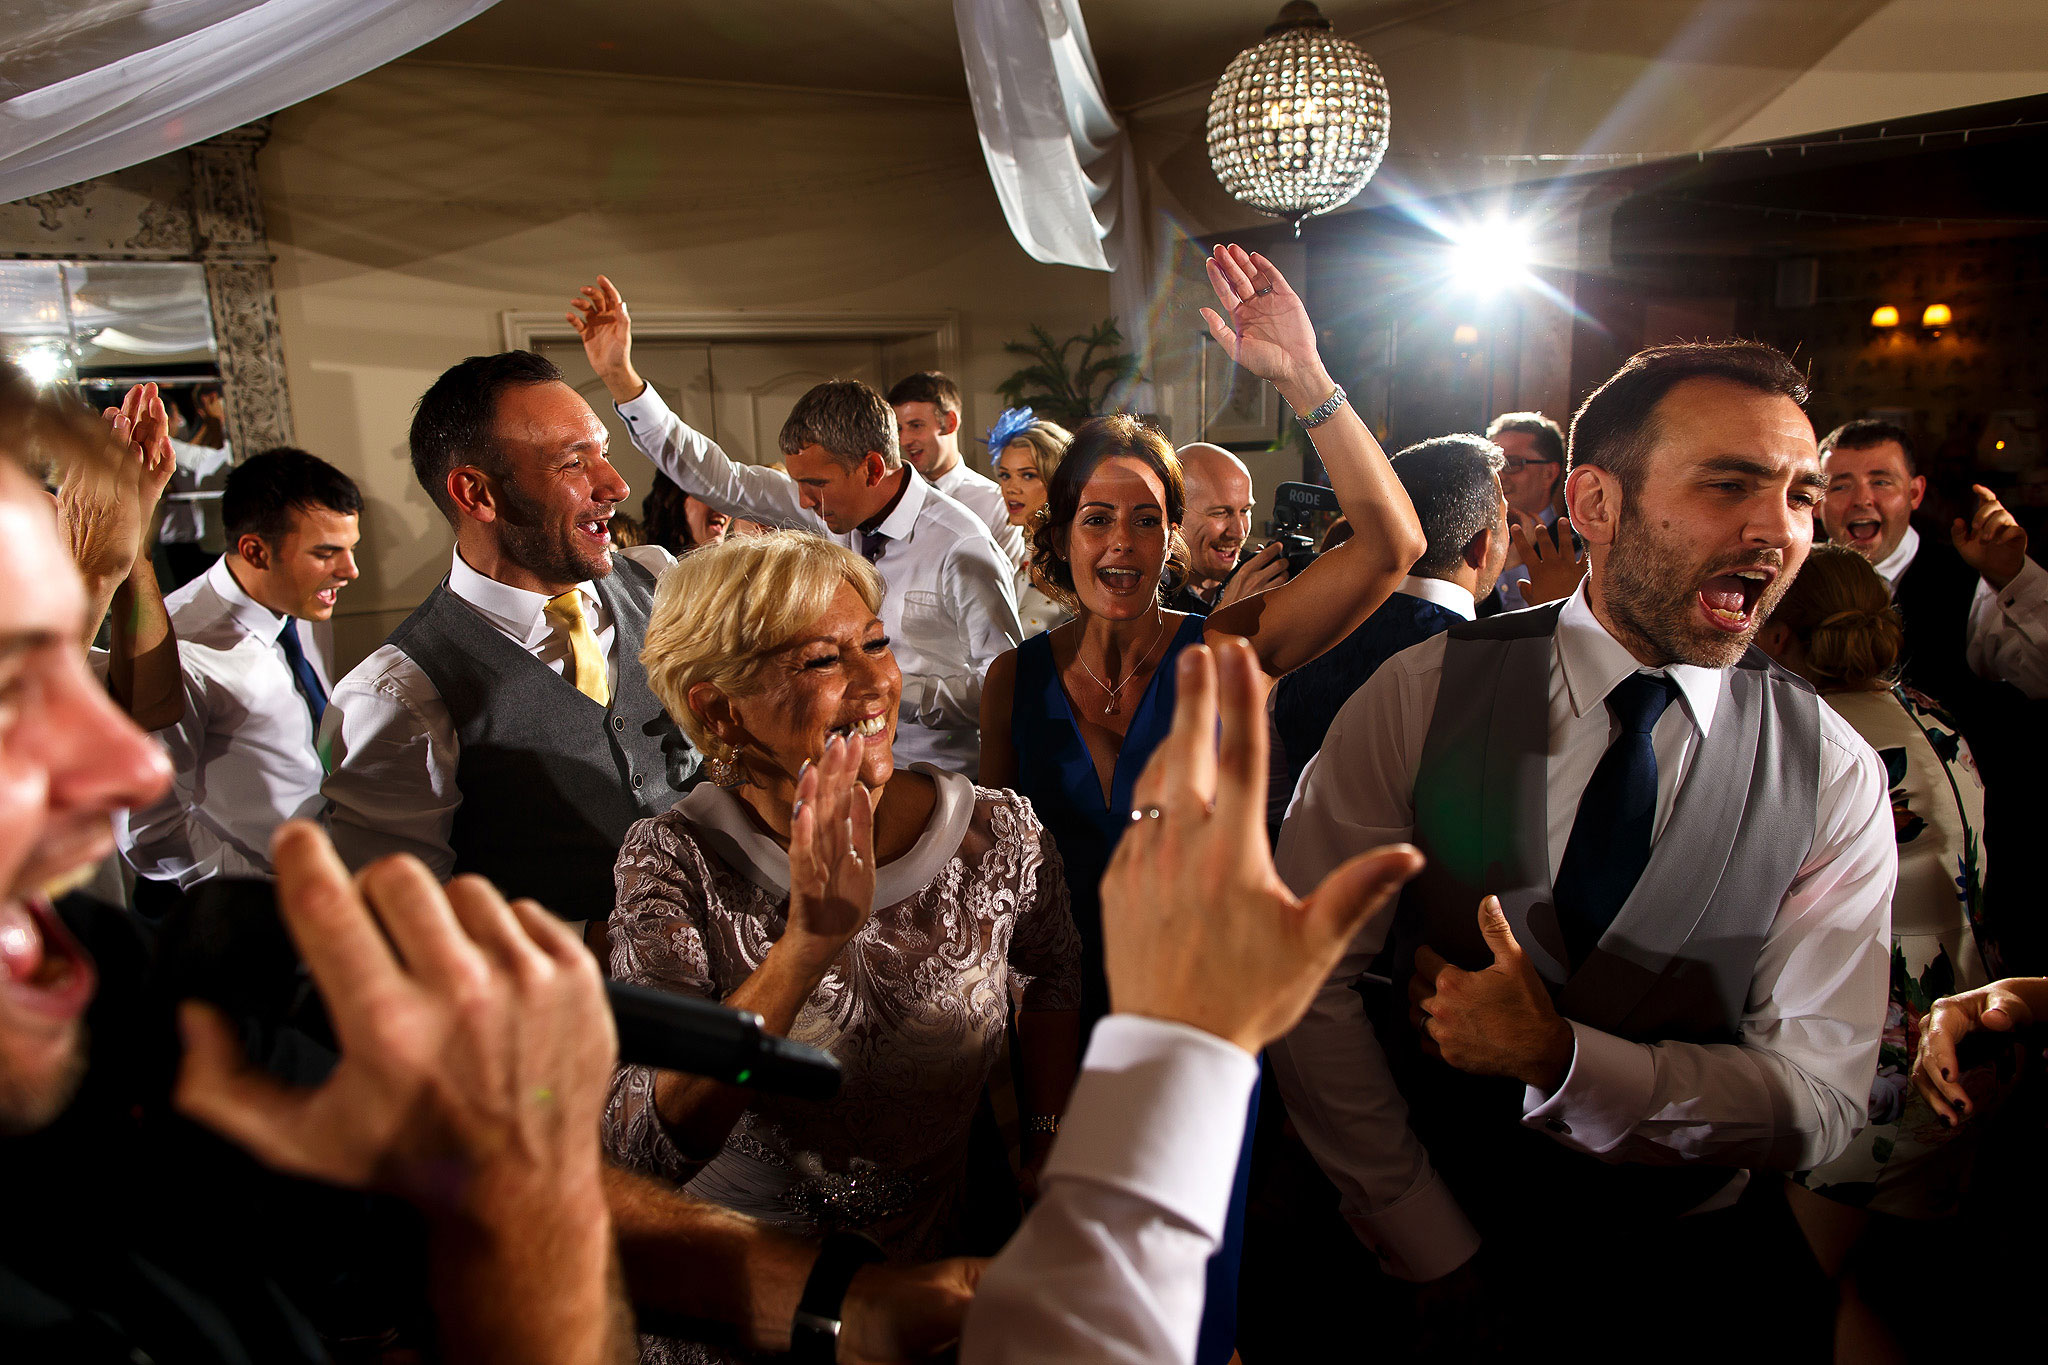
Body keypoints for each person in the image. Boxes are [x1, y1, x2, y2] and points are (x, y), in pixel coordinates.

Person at [1271, 340, 1895, 1357]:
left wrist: (1561, 1060)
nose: (1773, 531)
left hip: (1685, 1282)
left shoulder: (1829, 770)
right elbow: (1303, 978)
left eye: (1797, 496)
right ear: (1593, 504)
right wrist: (1422, 1237)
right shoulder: (1420, 694)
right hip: (1413, 1256)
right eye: (1728, 484)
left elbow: (1818, 1099)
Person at [980, 243, 1425, 1365]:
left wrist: (1301, 376)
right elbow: (995, 899)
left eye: (1142, 520)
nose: (1118, 544)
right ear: (1060, 533)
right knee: (1063, 1304)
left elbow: (1392, 545)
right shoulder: (1011, 684)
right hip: (1052, 1035)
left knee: (1192, 1299)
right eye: (1094, 518)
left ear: (1172, 535)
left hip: (1198, 1017)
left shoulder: (1228, 648)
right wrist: (1023, 1104)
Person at [604, 532, 1079, 1363]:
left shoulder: (995, 831)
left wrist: (1044, 1133)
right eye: (823, 661)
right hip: (748, 1308)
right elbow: (642, 1151)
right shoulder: (673, 859)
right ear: (718, 708)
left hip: (940, 1280)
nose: (877, 685)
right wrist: (806, 945)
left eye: (877, 643)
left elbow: (1056, 974)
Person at [570, 275, 1021, 775]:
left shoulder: (961, 545)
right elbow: (720, 478)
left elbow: (1006, 682)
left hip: (944, 776)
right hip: (838, 767)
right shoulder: (825, 505)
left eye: (816, 484)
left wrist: (889, 687)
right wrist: (621, 379)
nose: (802, 501)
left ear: (873, 468)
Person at [322, 351, 699, 928]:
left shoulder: (658, 579)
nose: (616, 485)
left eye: (604, 452)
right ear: (477, 495)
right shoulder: (398, 696)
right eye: (573, 464)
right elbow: (405, 932)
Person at [1754, 543, 2011, 1361]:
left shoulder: (1805, 737)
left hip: (1873, 1062)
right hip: (1969, 1041)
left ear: (1782, 635)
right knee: (1869, 1292)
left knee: (1797, 1289)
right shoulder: (1933, 717)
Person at [1820, 417, 2048, 965]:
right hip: (1827, 857)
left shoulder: (1968, 579)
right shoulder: (1791, 580)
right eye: (1840, 483)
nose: (1860, 499)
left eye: (1882, 481)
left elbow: (2040, 677)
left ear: (1915, 492)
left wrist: (2013, 578)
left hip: (1951, 867)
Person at [121, 448, 362, 890]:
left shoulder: (300, 602)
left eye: (351, 549)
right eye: (327, 554)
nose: (350, 571)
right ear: (255, 551)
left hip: (329, 867)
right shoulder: (175, 654)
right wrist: (266, 903)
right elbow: (151, 831)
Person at [1270, 434, 1510, 812]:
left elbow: (1272, 804)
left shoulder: (1306, 635)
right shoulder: (1495, 669)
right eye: (1506, 520)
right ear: (1479, 547)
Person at [889, 370, 1027, 571]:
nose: (905, 440)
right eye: (899, 428)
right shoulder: (894, 497)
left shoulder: (995, 503)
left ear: (950, 423)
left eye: (916, 426)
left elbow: (1006, 585)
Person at [1165, 442, 1287, 615]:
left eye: (1245, 511)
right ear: (1174, 515)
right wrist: (1230, 613)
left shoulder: (1264, 579)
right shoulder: (1144, 592)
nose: (1239, 532)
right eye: (1220, 513)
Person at [1478, 410, 1577, 614]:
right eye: (1493, 465)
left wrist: (1515, 568)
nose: (1499, 476)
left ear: (1549, 473)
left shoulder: (1574, 551)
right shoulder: (1475, 541)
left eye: (1512, 464)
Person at [989, 409, 1075, 637]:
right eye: (1005, 475)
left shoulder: (1073, 554)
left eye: (1027, 475)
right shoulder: (1023, 549)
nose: (1011, 488)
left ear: (1057, 480)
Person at [156, 384, 235, 591]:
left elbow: (200, 457)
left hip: (197, 542)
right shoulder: (159, 445)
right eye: (176, 415)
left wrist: (213, 423)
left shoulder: (165, 447)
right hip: (187, 548)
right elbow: (203, 459)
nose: (180, 421)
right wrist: (218, 422)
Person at [642, 473, 730, 555]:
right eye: (708, 491)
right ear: (672, 498)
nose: (723, 504)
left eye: (729, 496)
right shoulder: (645, 564)